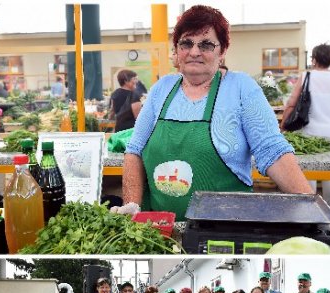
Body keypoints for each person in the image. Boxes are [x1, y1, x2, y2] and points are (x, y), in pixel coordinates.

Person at [116, 5, 313, 221]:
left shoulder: (241, 88)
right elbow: (134, 150)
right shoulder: (161, 89)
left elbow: (273, 152)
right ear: (177, 49)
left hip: (224, 230)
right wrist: (132, 203)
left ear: (223, 51)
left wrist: (315, 211)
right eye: (186, 43)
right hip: (160, 229)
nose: (194, 52)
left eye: (206, 44)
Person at [282, 44, 330, 211]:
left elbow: (291, 104)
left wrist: (283, 126)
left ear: (313, 58)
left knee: (308, 173)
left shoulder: (306, 76)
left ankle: (309, 212)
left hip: (308, 132)